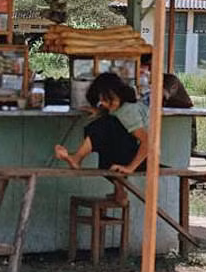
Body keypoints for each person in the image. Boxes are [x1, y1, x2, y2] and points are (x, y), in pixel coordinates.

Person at [54, 72, 149, 204]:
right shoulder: (120, 109)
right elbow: (117, 121)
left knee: (102, 126)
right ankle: (120, 191)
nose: (104, 104)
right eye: (101, 101)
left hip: (142, 159)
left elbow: (148, 142)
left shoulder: (128, 111)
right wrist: (100, 112)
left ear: (117, 93)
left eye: (107, 99)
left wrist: (130, 168)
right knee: (105, 141)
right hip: (129, 155)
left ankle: (77, 158)